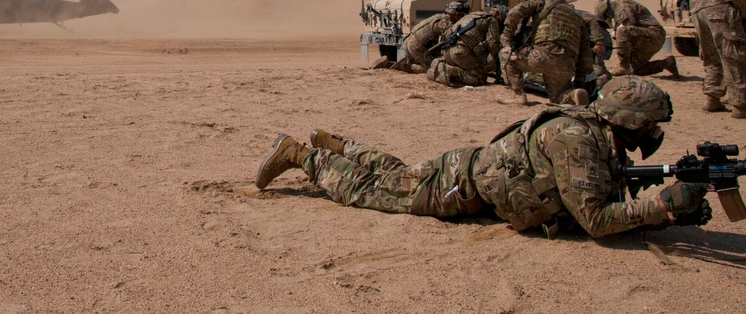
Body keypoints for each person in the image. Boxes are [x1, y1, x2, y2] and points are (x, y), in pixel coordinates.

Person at [254, 76, 711, 239]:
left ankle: (337, 144)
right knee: (372, 191)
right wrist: (663, 204)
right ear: (627, 122)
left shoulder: (592, 131)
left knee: (398, 174)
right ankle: (300, 153)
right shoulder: (578, 139)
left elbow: (598, 189)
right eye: (649, 125)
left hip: (471, 172)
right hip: (464, 187)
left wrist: (666, 212)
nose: (652, 134)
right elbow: (596, 219)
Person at [499, 0, 593, 105]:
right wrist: (579, 81)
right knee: (557, 97)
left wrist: (507, 38)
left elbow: (515, 12)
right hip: (566, 64)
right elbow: (586, 53)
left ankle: (518, 95)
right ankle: (572, 94)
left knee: (506, 55)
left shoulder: (540, 2)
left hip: (541, 56)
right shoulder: (577, 15)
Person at [685, 0, 746, 118]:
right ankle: (741, 106)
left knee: (712, 56)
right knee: (734, 55)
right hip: (719, 6)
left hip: (697, 10)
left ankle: (712, 99)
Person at [594, 0, 678, 78]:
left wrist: (616, 34)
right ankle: (667, 63)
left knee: (622, 31)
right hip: (648, 38)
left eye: (605, 16)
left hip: (654, 35)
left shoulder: (622, 6)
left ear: (607, 10)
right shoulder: (618, 12)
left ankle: (624, 67)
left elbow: (627, 25)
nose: (608, 18)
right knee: (637, 69)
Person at [425, 5, 506, 87]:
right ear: (498, 15)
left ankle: (439, 65)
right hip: (460, 52)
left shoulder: (473, 15)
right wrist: (498, 66)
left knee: (468, 68)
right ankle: (450, 71)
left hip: (448, 50)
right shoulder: (491, 20)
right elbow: (494, 45)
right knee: (480, 78)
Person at [392, 1, 468, 73]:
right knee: (431, 68)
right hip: (416, 46)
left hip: (409, 41)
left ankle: (396, 65)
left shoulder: (439, 17)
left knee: (417, 62)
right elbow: (452, 38)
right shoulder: (445, 24)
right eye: (461, 16)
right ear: (455, 15)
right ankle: (405, 67)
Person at [575, 8, 612, 89]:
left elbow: (592, 21)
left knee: (594, 70)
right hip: (583, 44)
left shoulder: (571, 13)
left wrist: (598, 42)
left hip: (588, 45)